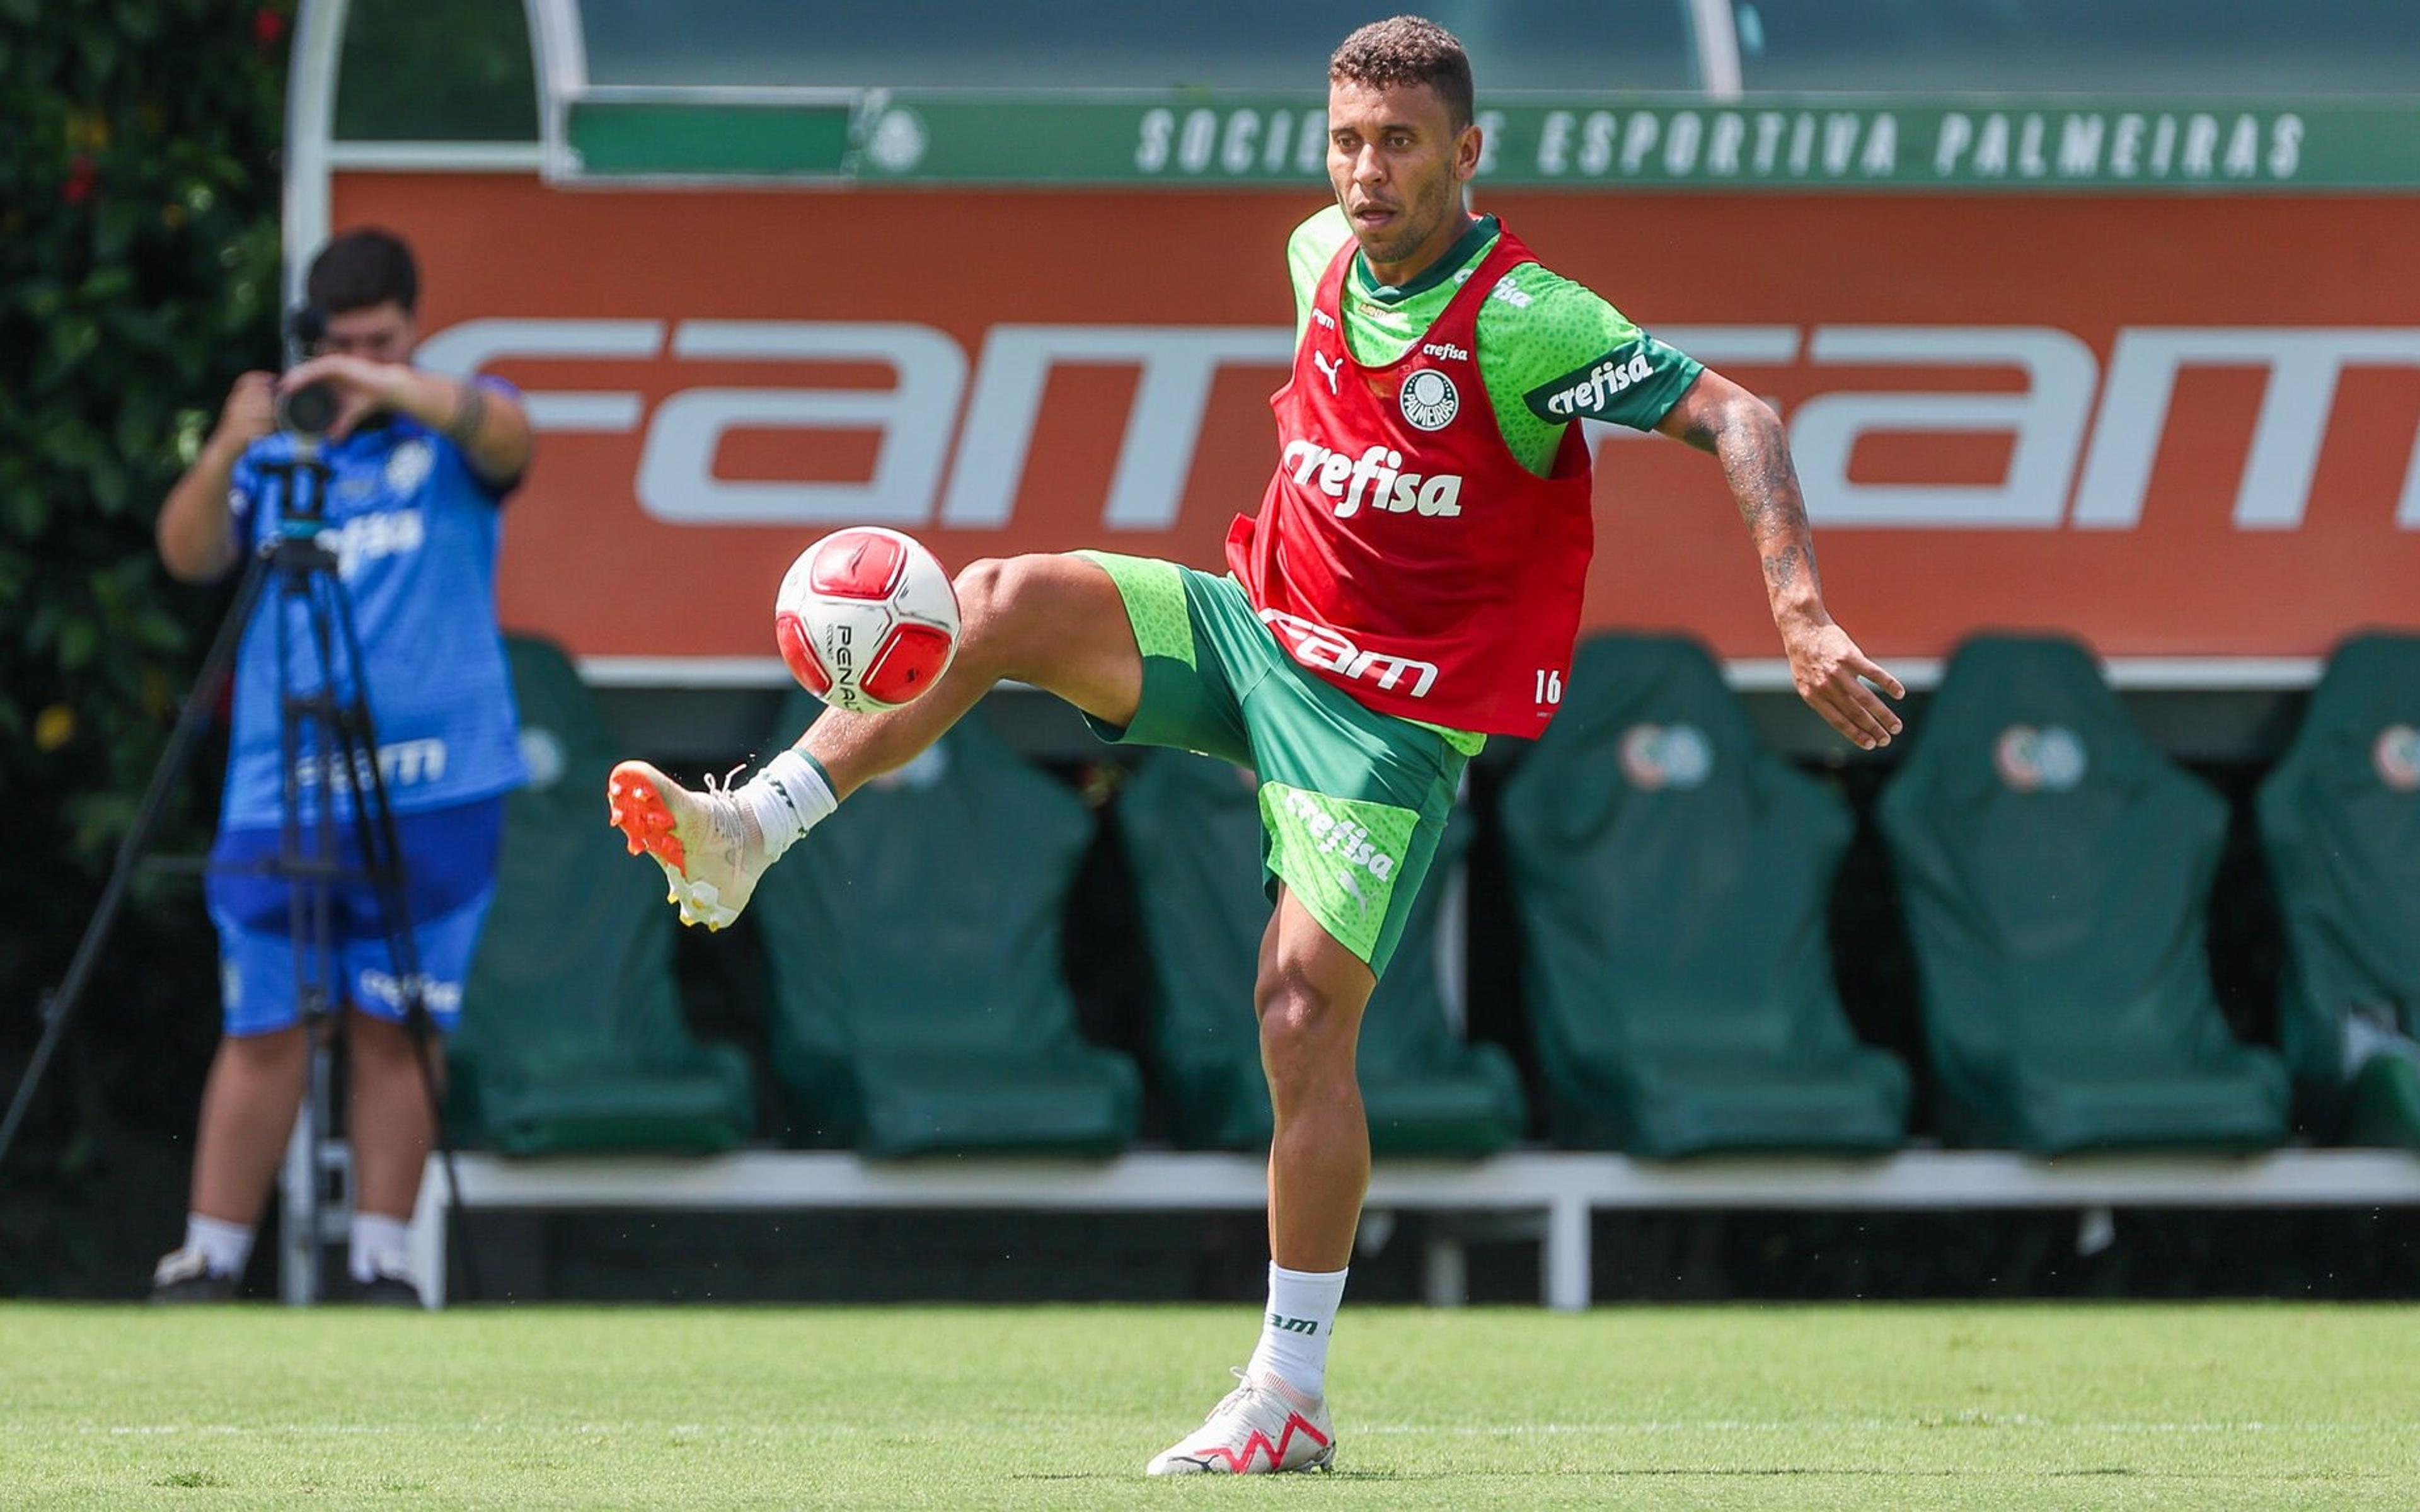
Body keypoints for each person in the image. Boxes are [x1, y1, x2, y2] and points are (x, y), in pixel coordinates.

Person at [609, 14, 1903, 1473]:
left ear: (1467, 154)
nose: (1367, 170)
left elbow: (1743, 415)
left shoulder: (1532, 317)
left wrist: (1798, 615)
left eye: (1400, 144)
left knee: (1298, 1022)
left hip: (1391, 723)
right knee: (1003, 602)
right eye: (1347, 139)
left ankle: (1287, 1391)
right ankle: (749, 830)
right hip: (1255, 638)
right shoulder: (1315, 257)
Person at [149, 227, 533, 1305]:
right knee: (267, 1020)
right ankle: (210, 1259)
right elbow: (187, 555)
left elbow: (509, 436)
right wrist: (231, 445)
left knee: (399, 1023)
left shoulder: (451, 420)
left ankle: (379, 1261)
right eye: (346, 345)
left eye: (384, 340)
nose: (361, 362)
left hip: (445, 781)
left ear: (412, 331)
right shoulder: (282, 445)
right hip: (286, 783)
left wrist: (392, 386)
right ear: (311, 338)